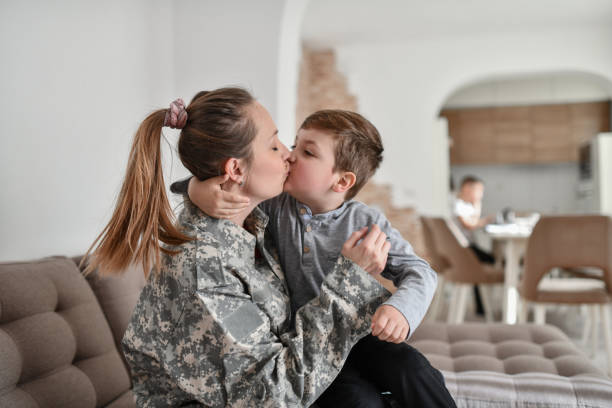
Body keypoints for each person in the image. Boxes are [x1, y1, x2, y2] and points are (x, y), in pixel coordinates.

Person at [82, 88, 395, 407]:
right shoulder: (205, 273)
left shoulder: (254, 222)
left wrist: (193, 188)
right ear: (235, 170)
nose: (288, 154)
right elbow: (274, 397)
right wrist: (348, 284)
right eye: (274, 145)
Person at [182, 110, 456, 407]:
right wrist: (196, 189)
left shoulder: (366, 223)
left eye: (308, 152)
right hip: (311, 348)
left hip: (364, 337)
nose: (291, 156)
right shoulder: (274, 207)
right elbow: (225, 180)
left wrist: (401, 310)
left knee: (414, 371)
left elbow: (419, 271)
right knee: (358, 400)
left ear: (341, 182)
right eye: (294, 144)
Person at [453, 175, 495, 264]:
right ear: (467, 188)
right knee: (493, 259)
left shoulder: (466, 205)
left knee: (494, 257)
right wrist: (478, 203)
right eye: (479, 190)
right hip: (464, 248)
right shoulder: (458, 204)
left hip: (467, 246)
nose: (481, 194)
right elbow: (469, 225)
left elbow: (474, 220)